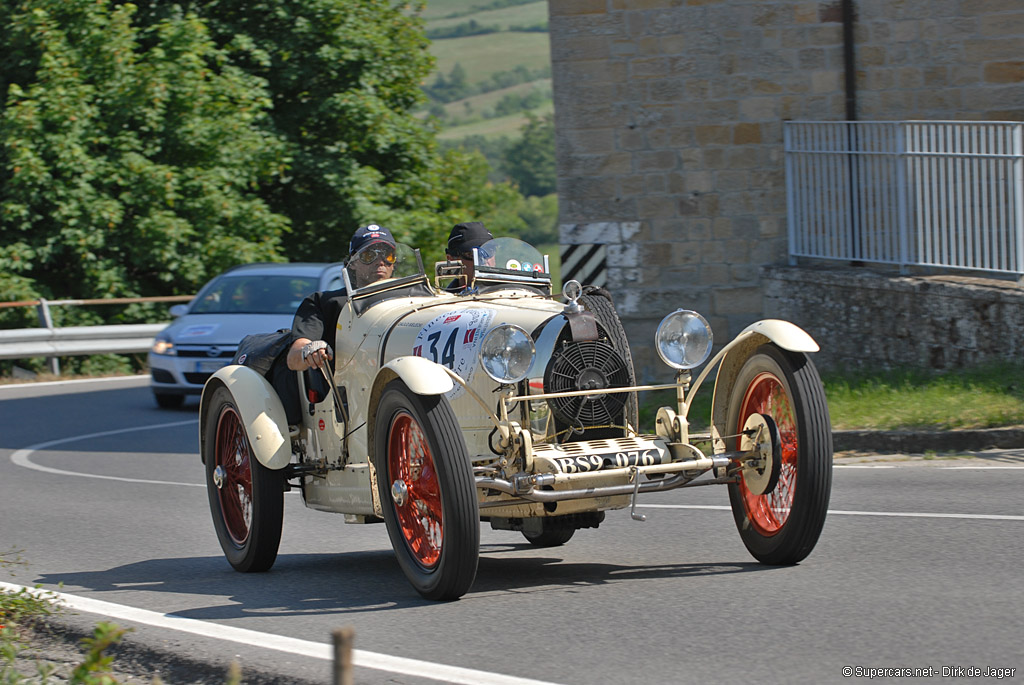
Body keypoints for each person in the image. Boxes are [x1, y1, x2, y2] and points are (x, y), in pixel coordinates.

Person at [285, 224, 397, 374]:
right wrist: (311, 350)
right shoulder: (324, 302)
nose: (381, 261)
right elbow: (294, 358)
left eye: (387, 255)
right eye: (369, 255)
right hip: (345, 388)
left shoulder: (415, 298)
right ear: (353, 263)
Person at [444, 221, 493, 293]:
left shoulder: (512, 291)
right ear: (451, 260)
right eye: (471, 254)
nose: (483, 260)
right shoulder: (444, 301)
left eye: (489, 251)